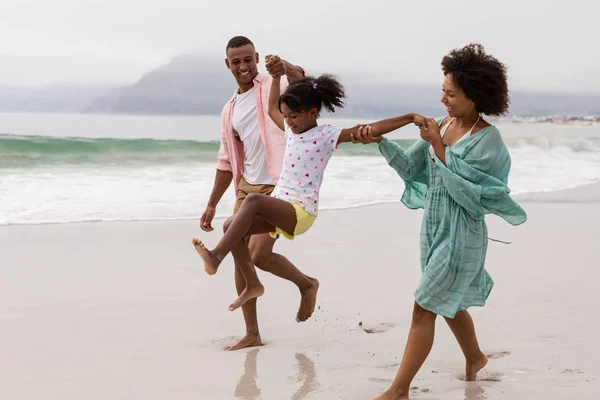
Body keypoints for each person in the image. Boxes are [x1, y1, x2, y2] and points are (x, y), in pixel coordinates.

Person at [353, 43, 528, 399]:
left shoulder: (488, 140)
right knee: (449, 303)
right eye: (443, 92)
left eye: (452, 94)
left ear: (475, 96)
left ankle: (399, 389)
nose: (444, 100)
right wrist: (381, 141)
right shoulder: (444, 125)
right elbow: (409, 169)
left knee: (424, 306)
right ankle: (475, 356)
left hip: (463, 234)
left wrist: (438, 146)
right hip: (433, 229)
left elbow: (473, 197)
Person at [193, 71, 425, 314]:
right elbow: (272, 106)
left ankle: (217, 256)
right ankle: (262, 283)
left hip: (300, 211)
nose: (288, 122)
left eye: (293, 116)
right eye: (286, 116)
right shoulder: (290, 131)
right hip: (279, 206)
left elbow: (367, 128)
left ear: (312, 113)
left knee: (251, 202)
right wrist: (275, 77)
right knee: (232, 227)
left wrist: (409, 118)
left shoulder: (325, 135)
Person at [198, 35, 312, 351]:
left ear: (257, 57)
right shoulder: (230, 109)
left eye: (248, 59)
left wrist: (284, 67)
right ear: (228, 65)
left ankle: (306, 284)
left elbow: (304, 83)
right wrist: (211, 204)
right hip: (246, 185)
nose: (243, 66)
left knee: (259, 255)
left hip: (277, 184)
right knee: (242, 258)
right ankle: (252, 333)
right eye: (236, 62)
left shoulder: (272, 87)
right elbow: (225, 159)